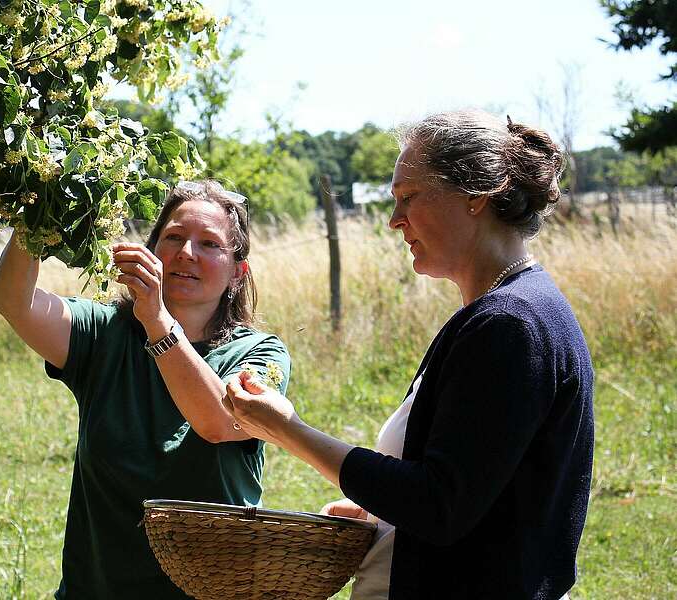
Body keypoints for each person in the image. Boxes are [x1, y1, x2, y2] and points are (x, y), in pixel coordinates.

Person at [224, 110, 594, 600]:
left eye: (408, 197)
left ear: (476, 195)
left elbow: (439, 506)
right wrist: (382, 515)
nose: (395, 219)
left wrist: (287, 429)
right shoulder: (504, 313)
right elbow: (476, 492)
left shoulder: (511, 325)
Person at [0, 180, 291, 599]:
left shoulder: (259, 353)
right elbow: (12, 301)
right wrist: (38, 207)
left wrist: (157, 321)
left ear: (236, 273)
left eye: (209, 244)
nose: (187, 253)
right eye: (174, 237)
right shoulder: (103, 333)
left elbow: (219, 422)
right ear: (152, 250)